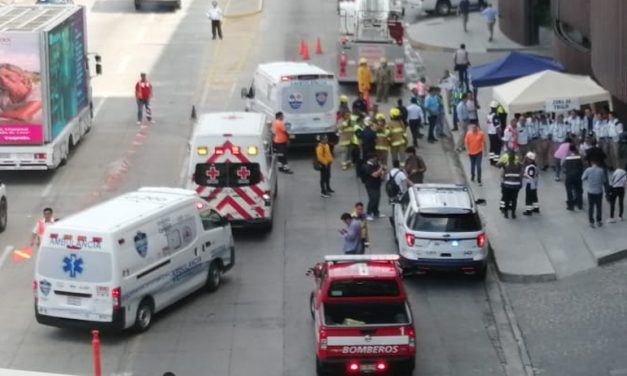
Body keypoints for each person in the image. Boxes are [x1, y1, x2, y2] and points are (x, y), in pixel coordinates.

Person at [582, 159, 608, 227]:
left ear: (591, 162)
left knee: (591, 207)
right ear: (598, 163)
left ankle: (591, 222)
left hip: (590, 191)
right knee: (599, 207)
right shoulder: (601, 170)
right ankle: (599, 221)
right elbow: (604, 180)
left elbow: (582, 178)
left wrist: (588, 179)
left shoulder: (588, 170)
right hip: (599, 191)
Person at [361, 153, 386, 220]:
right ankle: (368, 213)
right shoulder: (367, 166)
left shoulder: (376, 165)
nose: (376, 160)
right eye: (375, 159)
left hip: (377, 184)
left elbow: (381, 175)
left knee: (377, 199)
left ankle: (376, 212)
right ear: (371, 159)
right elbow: (374, 175)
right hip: (370, 185)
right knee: (373, 199)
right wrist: (381, 168)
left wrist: (382, 173)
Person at [498, 150, 522, 219]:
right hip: (516, 186)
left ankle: (506, 213)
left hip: (507, 186)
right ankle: (513, 214)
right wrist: (520, 184)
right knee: (514, 199)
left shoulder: (506, 166)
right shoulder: (518, 166)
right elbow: (520, 175)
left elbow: (501, 173)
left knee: (506, 199)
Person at [562, 144, 584, 211]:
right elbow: (583, 165)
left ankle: (571, 206)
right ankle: (580, 205)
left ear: (569, 149)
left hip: (569, 176)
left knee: (569, 191)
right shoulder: (579, 157)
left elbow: (562, 165)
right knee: (578, 190)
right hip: (577, 176)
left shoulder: (566, 157)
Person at [465, 121, 485, 185]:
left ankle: (479, 178)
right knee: (472, 165)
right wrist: (467, 151)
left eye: (475, 127)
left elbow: (484, 142)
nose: (473, 128)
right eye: (472, 127)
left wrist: (485, 151)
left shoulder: (481, 134)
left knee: (478, 166)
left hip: (479, 152)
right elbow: (466, 143)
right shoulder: (468, 134)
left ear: (477, 128)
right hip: (471, 153)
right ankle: (473, 175)